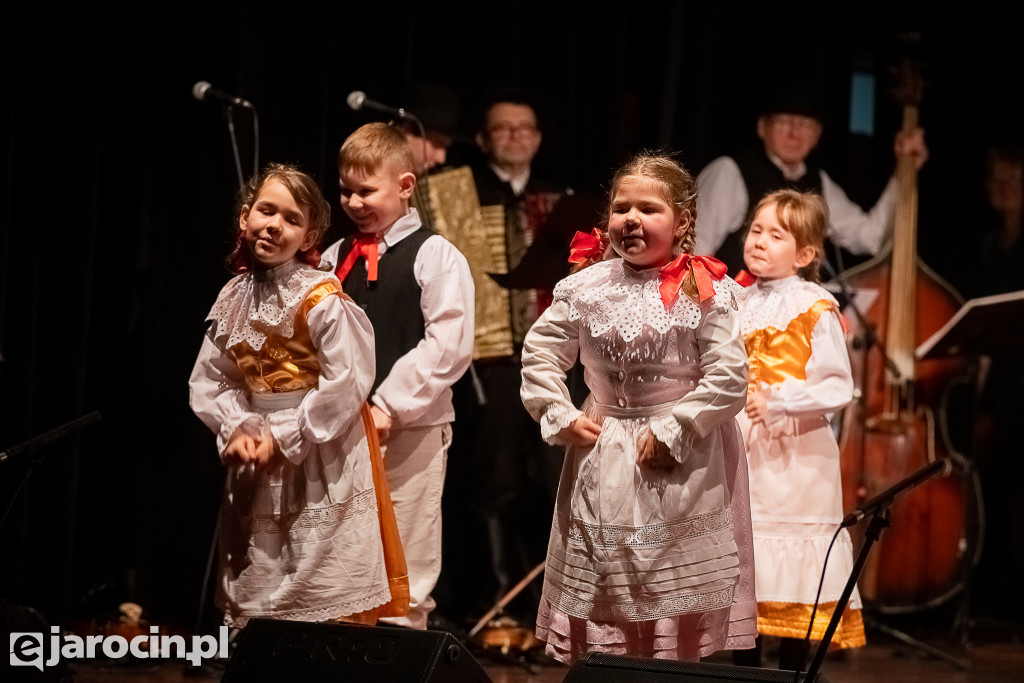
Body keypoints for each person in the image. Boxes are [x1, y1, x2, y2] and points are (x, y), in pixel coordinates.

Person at [519, 151, 757, 663]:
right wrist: (558, 413)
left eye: (649, 209)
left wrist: (679, 427)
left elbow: (729, 376)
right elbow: (540, 354)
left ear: (682, 220)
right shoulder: (587, 287)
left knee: (664, 583)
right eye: (621, 208)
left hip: (676, 455)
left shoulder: (704, 290)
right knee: (608, 584)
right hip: (604, 449)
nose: (631, 219)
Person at [188, 163, 403, 627]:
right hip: (257, 448)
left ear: (309, 237)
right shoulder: (232, 296)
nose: (274, 225)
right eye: (267, 211)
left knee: (315, 576)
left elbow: (346, 381)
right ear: (245, 217)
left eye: (291, 219)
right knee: (261, 577)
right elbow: (212, 378)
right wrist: (237, 428)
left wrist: (286, 435)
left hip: (318, 446)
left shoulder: (320, 296)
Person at [322, 122, 475, 631]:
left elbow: (448, 343)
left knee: (405, 547)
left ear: (406, 186)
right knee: (340, 547)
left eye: (366, 191)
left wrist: (388, 405)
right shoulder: (332, 257)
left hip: (412, 427)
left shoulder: (435, 254)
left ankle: (398, 649)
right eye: (345, 190)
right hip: (341, 428)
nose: (353, 201)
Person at [438, 88, 579, 630]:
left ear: (539, 138)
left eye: (525, 128)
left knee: (552, 480)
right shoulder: (457, 196)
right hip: (491, 361)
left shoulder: (561, 200)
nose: (515, 137)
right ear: (483, 138)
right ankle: (496, 602)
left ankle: (546, 606)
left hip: (556, 362)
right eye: (503, 128)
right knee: (492, 479)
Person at [732, 189, 865, 670]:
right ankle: (743, 675)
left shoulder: (814, 305)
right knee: (744, 571)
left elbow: (836, 386)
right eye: (755, 230)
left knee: (795, 585)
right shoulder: (735, 301)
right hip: (742, 450)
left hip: (795, 455)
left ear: (805, 253)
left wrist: (780, 400)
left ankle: (791, 672)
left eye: (776, 234)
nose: (760, 242)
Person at [695, 83, 929, 275]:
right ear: (762, 127)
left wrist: (903, 171)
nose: (795, 133)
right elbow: (696, 250)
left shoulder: (819, 181)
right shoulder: (729, 171)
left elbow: (871, 237)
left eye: (806, 125)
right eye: (785, 121)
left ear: (817, 137)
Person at [969, 145, 1024, 621]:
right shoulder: (990, 244)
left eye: (1012, 181)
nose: (1000, 190)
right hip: (999, 378)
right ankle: (992, 586)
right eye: (994, 182)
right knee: (991, 482)